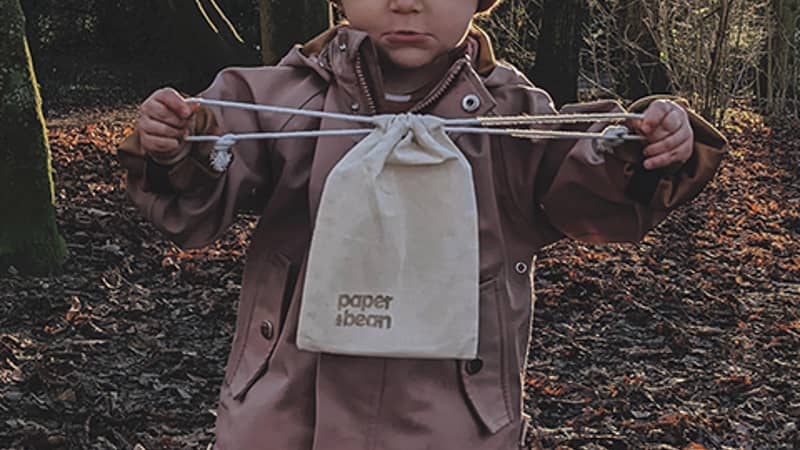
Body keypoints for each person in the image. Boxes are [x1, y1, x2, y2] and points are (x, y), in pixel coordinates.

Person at [117, 0, 727, 448]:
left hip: (451, 419)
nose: (406, 3)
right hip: (286, 413)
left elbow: (582, 186)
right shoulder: (279, 97)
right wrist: (177, 145)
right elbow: (209, 176)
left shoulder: (508, 118)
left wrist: (642, 146)